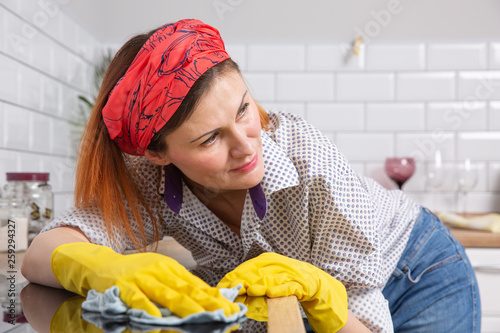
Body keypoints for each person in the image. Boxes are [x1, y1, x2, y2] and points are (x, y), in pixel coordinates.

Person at [21, 19, 480, 332]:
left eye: (244, 109)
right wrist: (107, 266)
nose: (246, 144)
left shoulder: (310, 161)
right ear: (158, 154)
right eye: (210, 139)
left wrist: (319, 292)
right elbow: (37, 255)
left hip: (418, 268)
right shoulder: (150, 180)